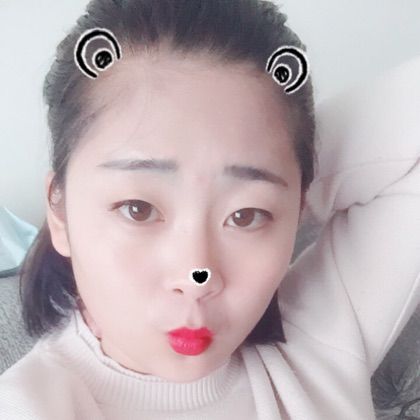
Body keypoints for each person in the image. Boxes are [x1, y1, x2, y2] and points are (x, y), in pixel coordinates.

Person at [0, 0, 419, 418]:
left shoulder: (319, 342)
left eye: (245, 216)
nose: (196, 276)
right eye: (138, 209)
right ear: (60, 211)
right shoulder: (30, 407)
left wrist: (287, 171)